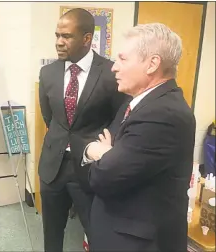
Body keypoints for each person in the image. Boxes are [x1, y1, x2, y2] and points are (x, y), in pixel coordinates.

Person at [83, 23, 196, 251]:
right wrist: (105, 154)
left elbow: (103, 177)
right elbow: (108, 152)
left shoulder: (163, 114)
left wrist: (99, 152)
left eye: (123, 59)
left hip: (136, 243)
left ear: (152, 64)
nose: (114, 67)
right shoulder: (137, 104)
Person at [38, 8, 127, 251]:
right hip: (52, 168)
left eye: (66, 36)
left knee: (97, 234)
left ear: (87, 38)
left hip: (90, 170)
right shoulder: (48, 73)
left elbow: (119, 119)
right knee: (51, 235)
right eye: (57, 35)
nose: (59, 42)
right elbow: (50, 117)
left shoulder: (111, 73)